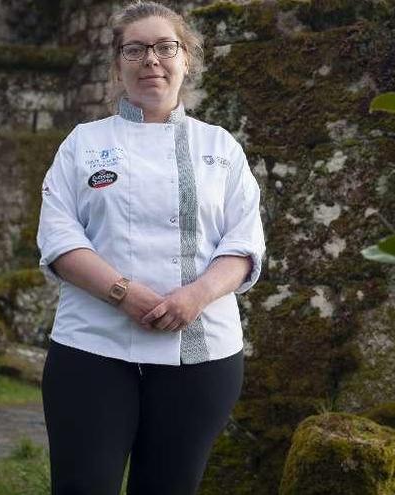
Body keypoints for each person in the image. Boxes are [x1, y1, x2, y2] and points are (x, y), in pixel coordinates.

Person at [35, 2, 265, 493]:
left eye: (165, 47)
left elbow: (244, 244)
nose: (151, 60)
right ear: (118, 64)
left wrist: (194, 297)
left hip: (202, 356)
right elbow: (59, 238)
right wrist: (124, 293)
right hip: (92, 347)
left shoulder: (222, 147)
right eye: (135, 50)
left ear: (187, 59)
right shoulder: (82, 143)